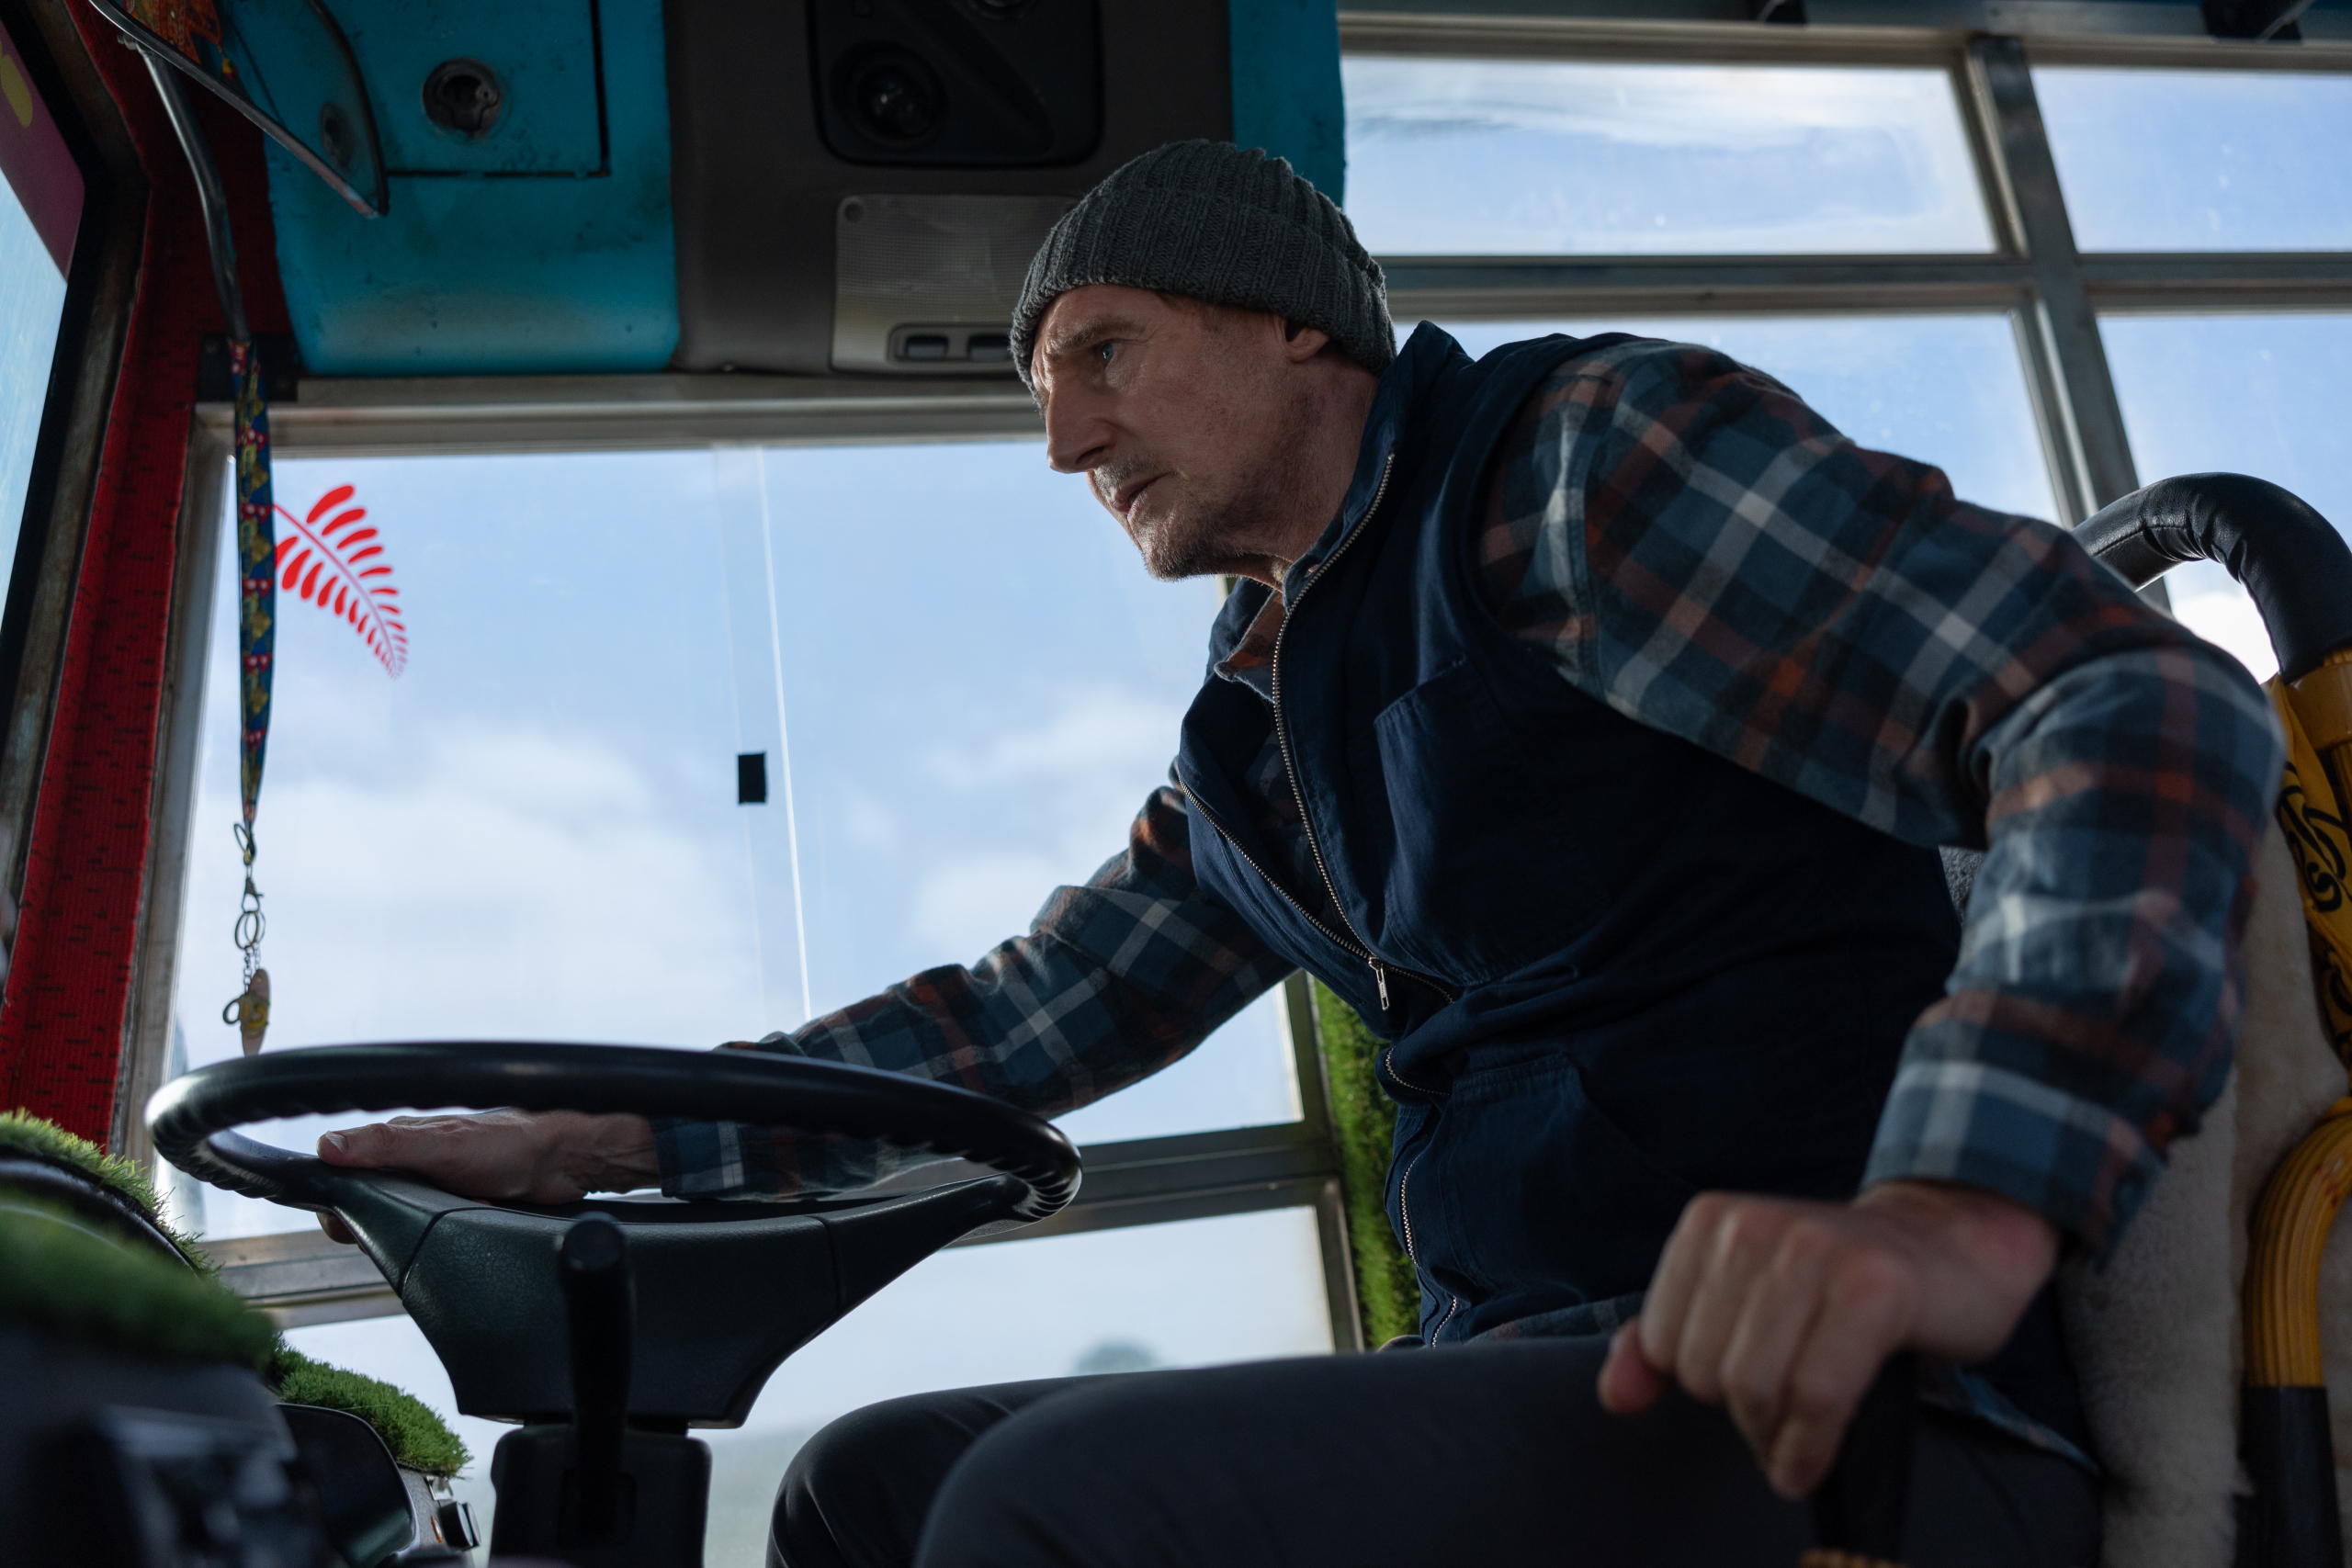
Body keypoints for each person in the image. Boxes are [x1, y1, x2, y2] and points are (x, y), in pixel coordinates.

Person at [317, 141, 2281, 1566]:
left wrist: (1954, 1206)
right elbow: (1013, 1022)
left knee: (1047, 1515)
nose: (1063, 443)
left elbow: (2121, 700)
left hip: (1838, 1408)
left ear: (1292, 324)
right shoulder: (1254, 733)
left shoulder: (1570, 464)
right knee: (866, 1490)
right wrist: (601, 1138)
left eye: (1104, 352)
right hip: (1526, 1369)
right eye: (1039, 393)